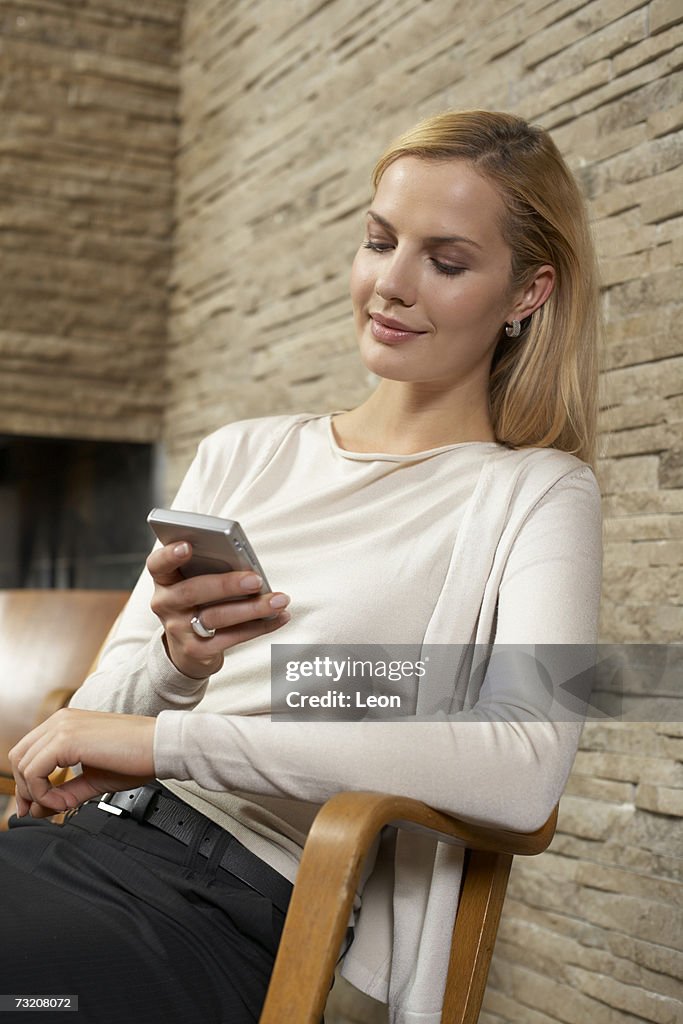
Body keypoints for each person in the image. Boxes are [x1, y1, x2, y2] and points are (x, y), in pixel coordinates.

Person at [1, 110, 602, 1024]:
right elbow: (97, 723)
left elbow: (521, 770)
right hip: (82, 850)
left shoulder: (534, 495)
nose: (389, 285)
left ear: (527, 292)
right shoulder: (243, 454)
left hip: (232, 919)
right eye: (377, 241)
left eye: (444, 262)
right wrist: (178, 663)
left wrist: (169, 744)